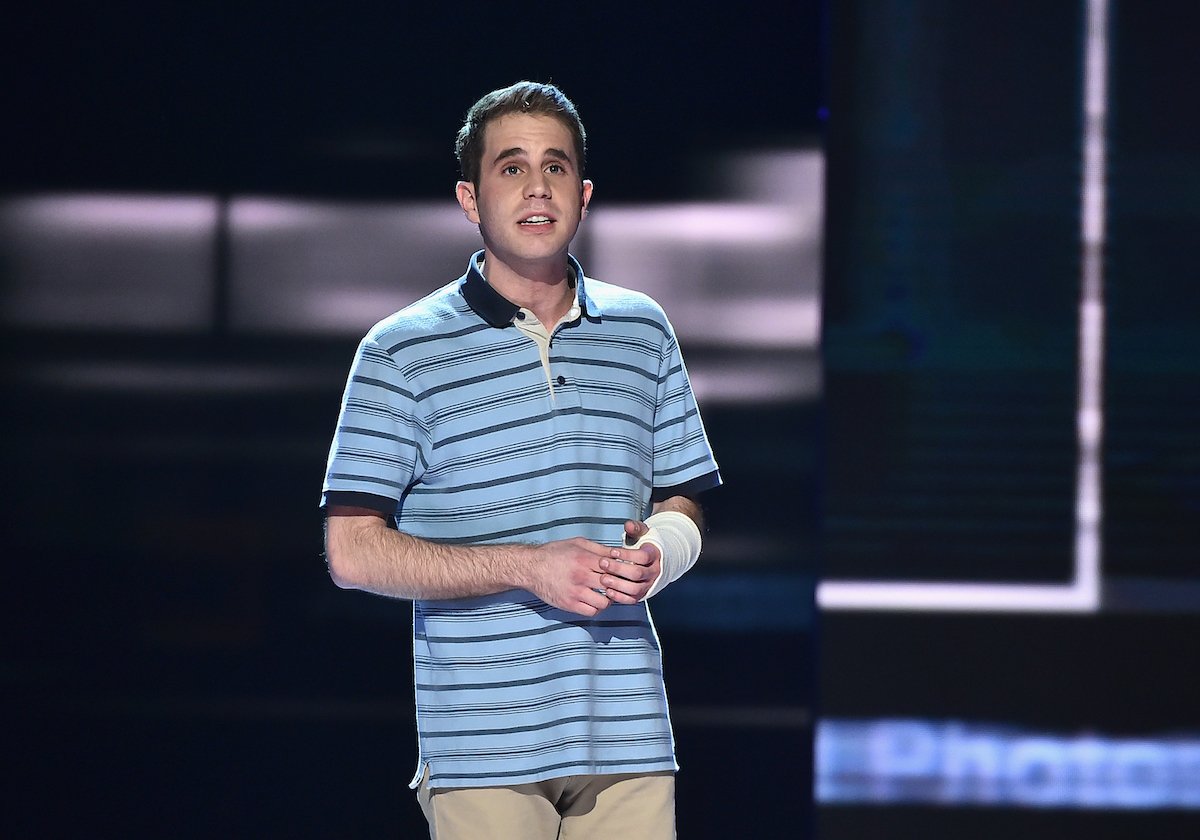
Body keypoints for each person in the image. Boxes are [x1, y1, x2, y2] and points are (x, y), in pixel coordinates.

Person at [321, 80, 721, 840]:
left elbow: (684, 496)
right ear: (470, 198)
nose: (538, 187)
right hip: (483, 749)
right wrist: (529, 567)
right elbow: (351, 552)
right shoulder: (400, 349)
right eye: (511, 167)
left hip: (630, 735)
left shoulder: (642, 330)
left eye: (557, 167)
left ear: (585, 191)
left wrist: (660, 553)